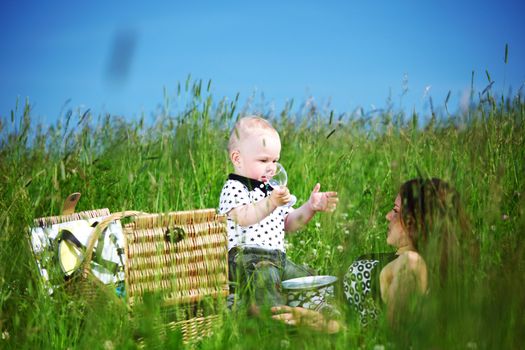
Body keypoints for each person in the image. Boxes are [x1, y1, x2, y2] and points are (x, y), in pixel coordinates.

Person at [272, 178, 477, 331]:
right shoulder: (402, 259)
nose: (388, 216)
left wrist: (318, 322)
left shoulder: (411, 264)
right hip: (300, 299)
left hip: (303, 317)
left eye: (396, 211)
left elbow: (389, 336)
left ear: (419, 222)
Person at [218, 116, 338, 310]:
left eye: (275, 160)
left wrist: (310, 207)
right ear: (237, 159)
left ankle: (317, 306)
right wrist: (270, 202)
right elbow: (243, 217)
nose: (272, 167)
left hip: (277, 259)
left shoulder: (271, 190)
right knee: (265, 277)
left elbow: (289, 223)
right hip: (245, 259)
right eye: (264, 160)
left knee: (305, 278)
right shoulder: (235, 187)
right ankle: (271, 318)